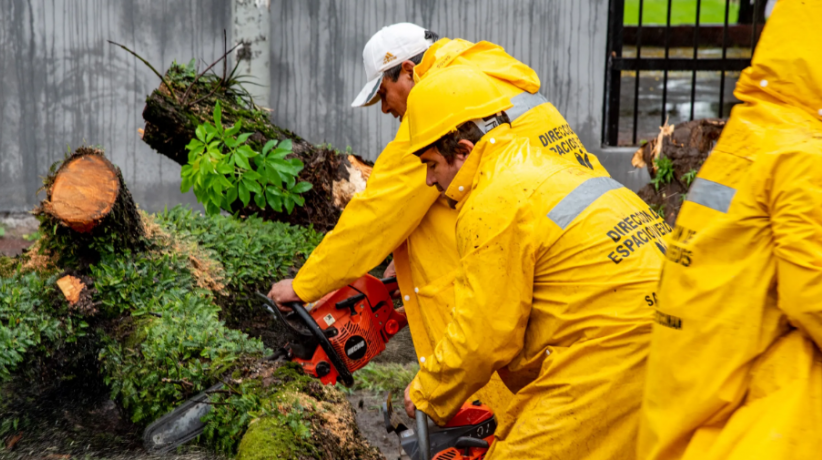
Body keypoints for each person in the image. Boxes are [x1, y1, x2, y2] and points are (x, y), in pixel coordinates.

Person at [267, 23, 609, 427]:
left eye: (382, 93)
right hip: (586, 247)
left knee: (509, 392)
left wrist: (305, 285)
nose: (385, 108)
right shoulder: (491, 76)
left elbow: (376, 214)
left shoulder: (440, 108)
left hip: (537, 262)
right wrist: (408, 254)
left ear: (408, 72)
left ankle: (484, 417)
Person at [402, 65, 669, 459]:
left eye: (431, 164)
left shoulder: (492, 200)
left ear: (463, 151)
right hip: (675, 331)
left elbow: (484, 334)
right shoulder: (546, 165)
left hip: (617, 349)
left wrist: (427, 390)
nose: (428, 180)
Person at [637, 1, 822, 459]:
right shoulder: (801, 155)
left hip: (693, 398)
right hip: (752, 423)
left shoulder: (749, 133)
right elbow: (811, 296)